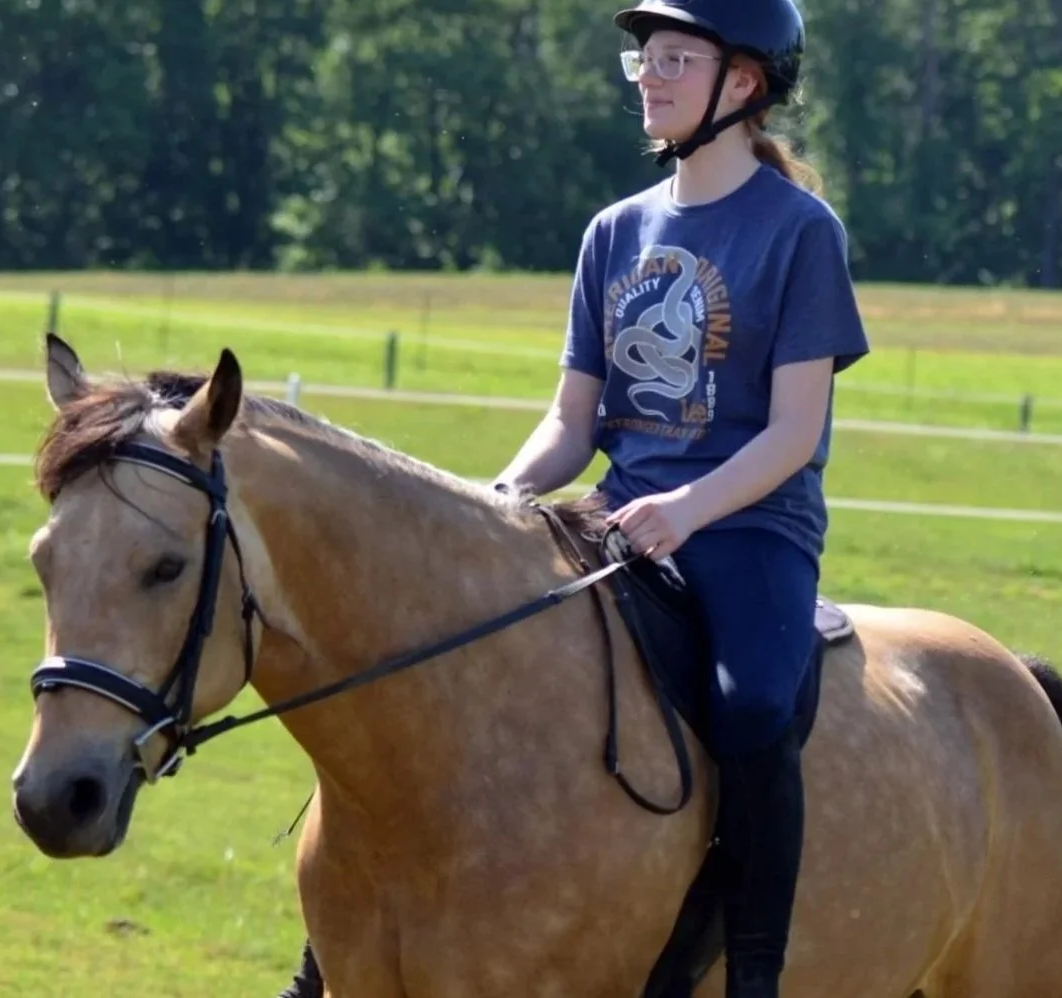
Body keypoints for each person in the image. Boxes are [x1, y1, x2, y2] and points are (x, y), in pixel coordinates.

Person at [275, 1, 868, 996]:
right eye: (646, 56)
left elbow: (793, 434)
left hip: (747, 528)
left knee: (755, 704)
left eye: (679, 57)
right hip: (613, 520)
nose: (651, 74)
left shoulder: (801, 233)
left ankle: (753, 969)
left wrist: (686, 508)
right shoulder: (614, 231)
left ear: (745, 83)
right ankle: (330, 954)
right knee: (446, 676)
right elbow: (572, 421)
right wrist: (497, 497)